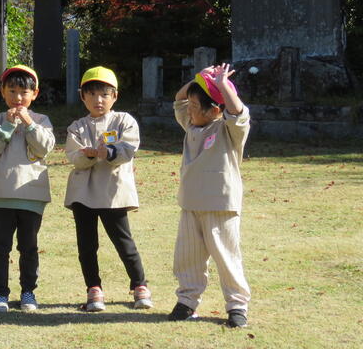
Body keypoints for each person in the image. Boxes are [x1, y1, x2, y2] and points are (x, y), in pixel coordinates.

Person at [168, 63, 252, 328]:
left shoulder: (228, 130)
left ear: (214, 110)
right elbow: (179, 99)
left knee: (226, 256)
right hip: (191, 203)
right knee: (188, 257)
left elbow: (238, 112)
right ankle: (187, 301)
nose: (189, 109)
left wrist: (222, 85)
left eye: (195, 106)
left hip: (220, 204)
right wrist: (198, 78)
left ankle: (237, 306)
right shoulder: (191, 126)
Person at [64, 66, 152, 312]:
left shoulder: (124, 121)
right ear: (83, 97)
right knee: (86, 245)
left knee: (124, 242)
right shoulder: (77, 127)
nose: (98, 100)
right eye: (92, 94)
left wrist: (108, 152)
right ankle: (94, 288)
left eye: (104, 94)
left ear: (115, 96)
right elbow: (74, 156)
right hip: (83, 194)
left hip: (113, 193)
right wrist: (90, 155)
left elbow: (128, 148)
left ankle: (140, 285)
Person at [0, 64, 56, 312]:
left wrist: (29, 124)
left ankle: (28, 292)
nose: (18, 97)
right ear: (3, 91)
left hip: (32, 196)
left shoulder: (41, 120)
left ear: (35, 94)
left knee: (29, 248)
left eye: (24, 92)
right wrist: (7, 125)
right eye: (12, 91)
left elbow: (44, 148)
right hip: (1, 195)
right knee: (0, 248)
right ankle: (0, 294)